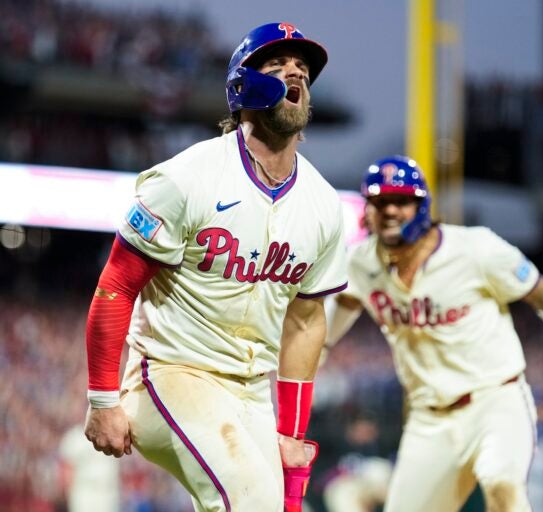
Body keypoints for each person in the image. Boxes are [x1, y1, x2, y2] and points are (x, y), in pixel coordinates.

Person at [83, 22, 348, 512]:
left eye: (304, 69)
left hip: (250, 394)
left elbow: (307, 319)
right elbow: (117, 283)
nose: (296, 73)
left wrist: (291, 433)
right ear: (242, 86)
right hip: (168, 373)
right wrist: (102, 399)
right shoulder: (188, 177)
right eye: (278, 65)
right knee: (251, 502)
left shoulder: (324, 206)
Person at [324, 155, 543, 512]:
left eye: (401, 201)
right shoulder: (361, 262)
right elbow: (337, 313)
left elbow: (542, 293)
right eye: (379, 201)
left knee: (502, 485)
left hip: (495, 402)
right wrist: (315, 353)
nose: (389, 210)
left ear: (421, 205)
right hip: (429, 418)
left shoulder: (475, 248)